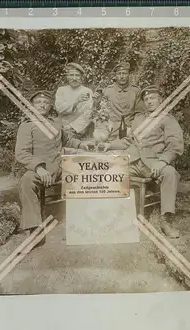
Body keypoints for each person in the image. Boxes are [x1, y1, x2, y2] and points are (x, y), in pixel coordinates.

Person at [107, 85, 184, 238]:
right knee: (110, 171)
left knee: (170, 173)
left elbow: (175, 144)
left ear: (160, 99)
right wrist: (109, 145)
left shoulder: (167, 119)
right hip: (134, 161)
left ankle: (166, 220)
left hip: (154, 163)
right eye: (146, 99)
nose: (149, 102)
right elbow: (129, 140)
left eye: (152, 98)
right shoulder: (139, 119)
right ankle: (116, 218)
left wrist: (163, 161)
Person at [15, 90, 88, 249]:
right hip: (42, 167)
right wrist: (39, 168)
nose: (42, 105)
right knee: (26, 182)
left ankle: (88, 223)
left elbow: (66, 139)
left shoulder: (56, 122)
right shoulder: (27, 126)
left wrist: (81, 144)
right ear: (32, 106)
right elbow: (22, 153)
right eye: (38, 102)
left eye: (45, 102)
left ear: (50, 106)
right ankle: (35, 229)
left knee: (90, 172)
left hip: (62, 165)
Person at [102, 62, 144, 139]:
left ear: (129, 75)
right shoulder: (107, 91)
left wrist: (134, 127)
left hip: (129, 129)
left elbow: (139, 114)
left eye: (124, 73)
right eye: (119, 73)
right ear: (115, 76)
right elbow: (102, 113)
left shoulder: (136, 91)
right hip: (111, 129)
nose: (122, 76)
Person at [55, 62, 94, 138]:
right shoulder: (61, 90)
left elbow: (88, 114)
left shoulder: (87, 91)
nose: (74, 78)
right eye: (71, 75)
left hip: (79, 131)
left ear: (81, 77)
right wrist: (75, 102)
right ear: (67, 77)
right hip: (62, 128)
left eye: (77, 75)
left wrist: (72, 128)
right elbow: (59, 109)